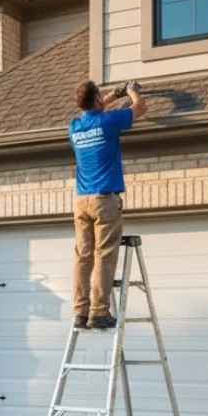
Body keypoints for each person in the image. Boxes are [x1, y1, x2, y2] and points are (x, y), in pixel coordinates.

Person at [68, 80, 147, 330]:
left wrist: (113, 94)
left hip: (82, 201)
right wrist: (132, 91)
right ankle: (99, 312)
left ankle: (80, 312)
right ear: (97, 100)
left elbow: (95, 111)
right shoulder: (108, 122)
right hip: (105, 200)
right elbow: (140, 108)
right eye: (101, 97)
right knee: (104, 254)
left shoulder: (75, 126)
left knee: (83, 256)